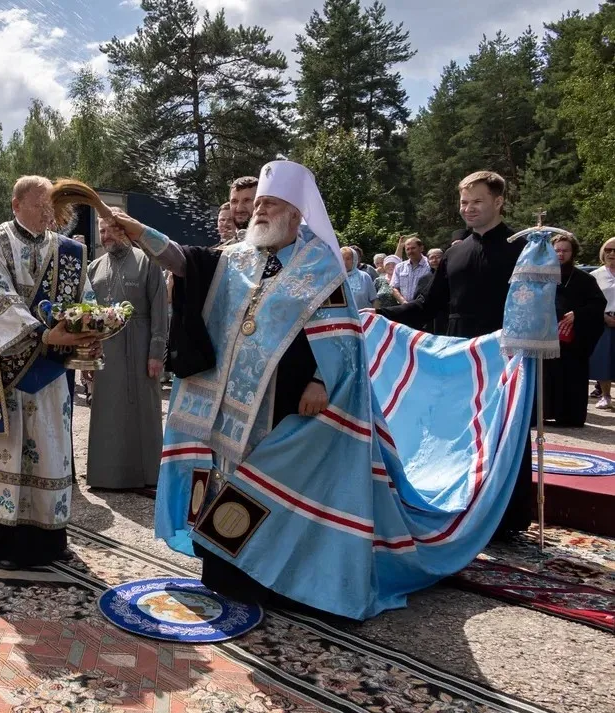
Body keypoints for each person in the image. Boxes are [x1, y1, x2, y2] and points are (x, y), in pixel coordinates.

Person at [118, 160, 545, 620]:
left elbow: (343, 336)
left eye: (269, 204)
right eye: (257, 204)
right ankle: (224, 569)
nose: (258, 212)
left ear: (296, 214)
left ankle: (274, 577)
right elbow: (186, 262)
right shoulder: (238, 256)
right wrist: (139, 231)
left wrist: (322, 381)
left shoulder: (319, 265)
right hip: (229, 401)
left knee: (270, 489)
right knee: (227, 477)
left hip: (289, 402)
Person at [379, 171, 534, 535]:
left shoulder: (521, 250)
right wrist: (381, 315)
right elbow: (427, 305)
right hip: (461, 356)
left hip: (505, 357)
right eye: (464, 202)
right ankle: (464, 507)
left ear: (498, 201)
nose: (468, 208)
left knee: (504, 431)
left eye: (477, 201)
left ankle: (507, 518)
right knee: (462, 433)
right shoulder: (455, 252)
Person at [0, 175, 98, 569]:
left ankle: (48, 538)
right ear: (16, 205)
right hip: (9, 363)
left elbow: (84, 297)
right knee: (7, 451)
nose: (47, 215)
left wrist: (92, 328)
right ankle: (2, 537)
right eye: (39, 207)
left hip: (52, 370)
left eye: (51, 208)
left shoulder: (69, 252)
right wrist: (42, 333)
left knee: (51, 448)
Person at [84, 218, 168, 490]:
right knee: (107, 410)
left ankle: (146, 475)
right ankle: (106, 476)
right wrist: (86, 354)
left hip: (140, 345)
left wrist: (156, 352)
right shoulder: (94, 268)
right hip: (106, 351)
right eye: (102, 231)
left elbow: (159, 310)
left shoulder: (148, 261)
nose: (105, 236)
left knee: (143, 409)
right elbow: (86, 315)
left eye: (110, 230)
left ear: (124, 230)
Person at [542, 233, 605, 426]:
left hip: (572, 341)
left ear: (573, 252)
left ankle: (570, 417)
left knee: (571, 376)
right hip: (547, 336)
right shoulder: (542, 275)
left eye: (565, 250)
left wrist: (578, 314)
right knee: (546, 376)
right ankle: (544, 412)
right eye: (557, 250)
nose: (561, 254)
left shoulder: (584, 279)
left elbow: (598, 303)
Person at [589, 238, 615, 409]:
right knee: (604, 360)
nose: (612, 254)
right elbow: (591, 301)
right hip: (604, 320)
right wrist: (604, 316)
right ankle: (606, 396)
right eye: (608, 250)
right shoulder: (595, 276)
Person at [390, 236, 430, 303]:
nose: (410, 251)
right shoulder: (399, 267)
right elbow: (394, 288)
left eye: (413, 248)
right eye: (407, 249)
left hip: (425, 306)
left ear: (421, 248)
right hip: (405, 307)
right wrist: (403, 302)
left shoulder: (429, 265)